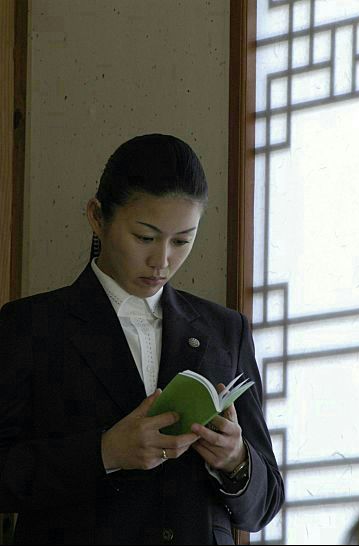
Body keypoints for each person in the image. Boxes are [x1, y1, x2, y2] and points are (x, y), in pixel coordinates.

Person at [0, 133, 284, 545]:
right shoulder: (31, 326)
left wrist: (236, 460)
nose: (162, 260)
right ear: (98, 216)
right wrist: (104, 452)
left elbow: (266, 503)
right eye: (145, 237)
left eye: (182, 240)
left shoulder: (225, 330)